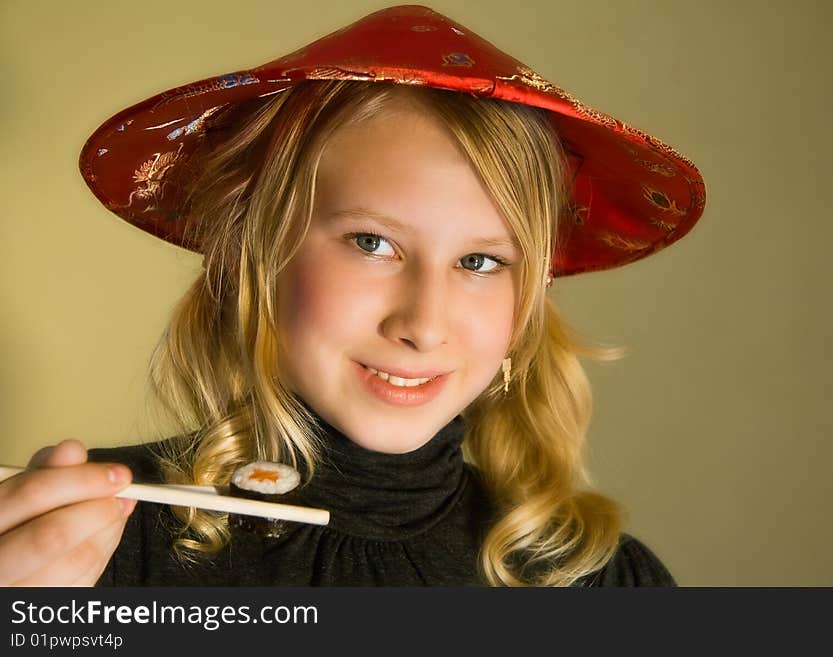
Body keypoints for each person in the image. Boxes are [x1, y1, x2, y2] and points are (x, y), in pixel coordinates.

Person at [0, 5, 705, 586]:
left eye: (481, 260)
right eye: (373, 243)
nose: (424, 325)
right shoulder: (95, 543)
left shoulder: (604, 583)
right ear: (260, 253)